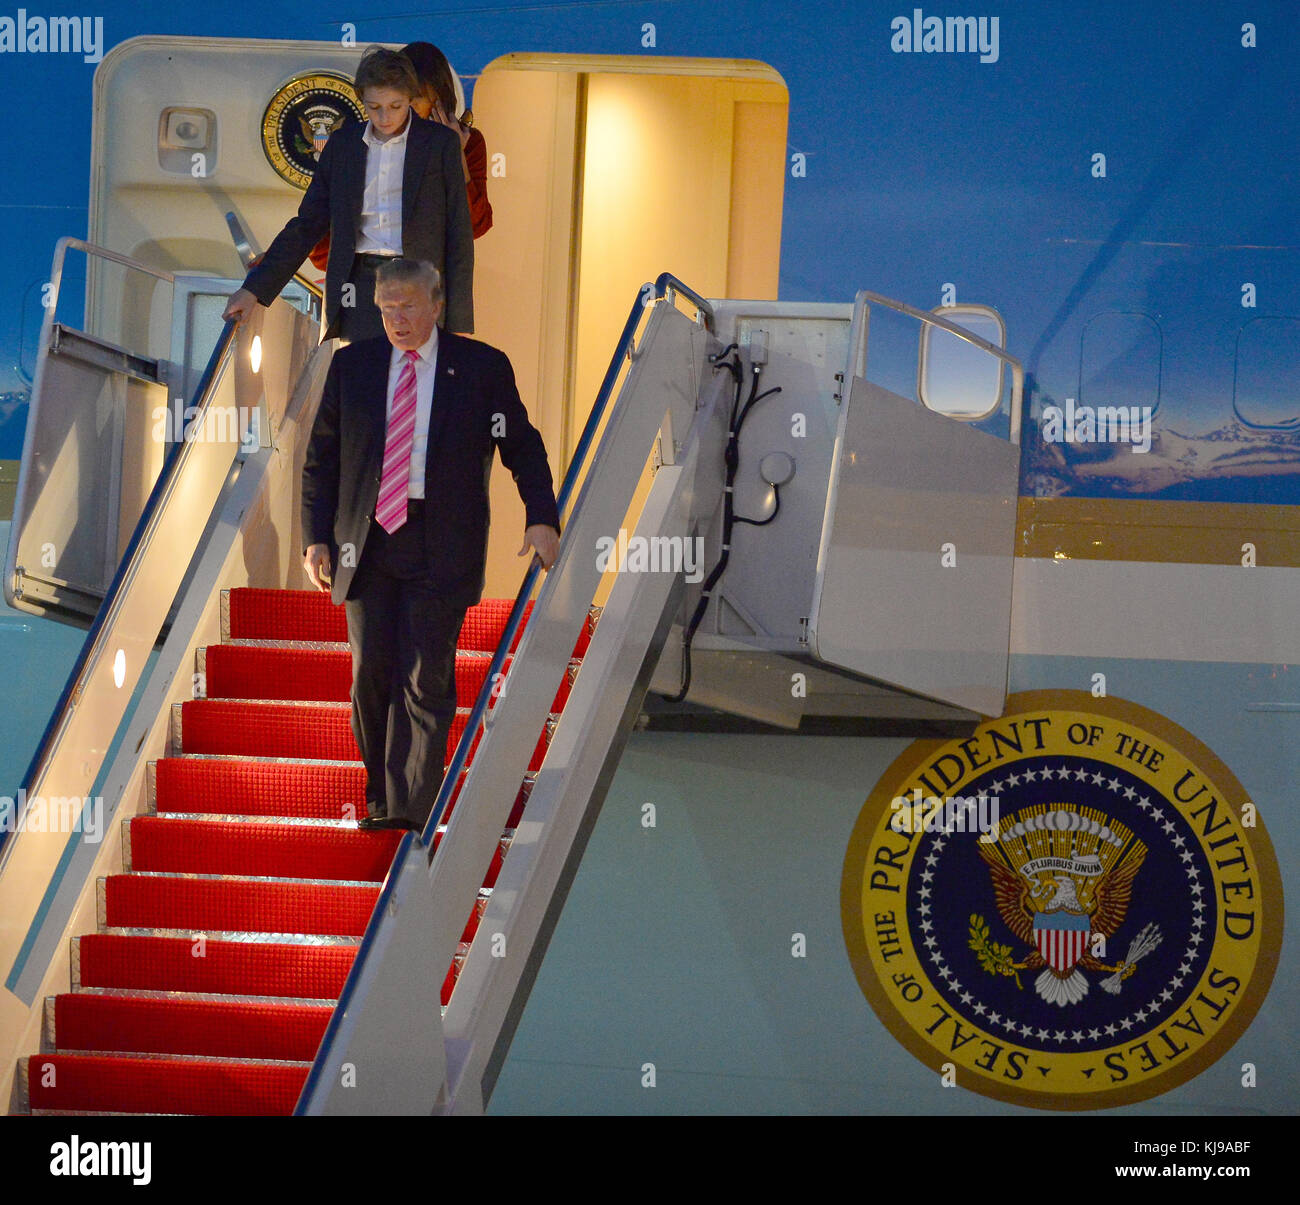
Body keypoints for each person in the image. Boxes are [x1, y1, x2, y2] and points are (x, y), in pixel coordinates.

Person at [301, 258, 560, 833]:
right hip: (365, 542)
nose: (397, 318)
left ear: (438, 306)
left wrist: (540, 518)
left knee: (425, 677)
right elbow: (321, 459)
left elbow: (522, 445)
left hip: (441, 542)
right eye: (387, 307)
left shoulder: (482, 368)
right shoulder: (354, 366)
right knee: (372, 671)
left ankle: (412, 813)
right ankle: (378, 795)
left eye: (409, 306)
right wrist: (315, 536)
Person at [223, 46, 474, 341]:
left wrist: (458, 324)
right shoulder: (343, 145)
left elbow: (459, 234)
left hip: (418, 281)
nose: (384, 117)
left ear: (409, 97)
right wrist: (253, 290)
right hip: (358, 281)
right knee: (359, 380)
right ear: (362, 100)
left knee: (413, 382)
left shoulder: (440, 143)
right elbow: (307, 224)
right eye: (374, 106)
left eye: (395, 106)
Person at [402, 41, 493, 238]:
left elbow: (476, 225)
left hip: (430, 264)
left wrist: (455, 154)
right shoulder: (373, 138)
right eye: (401, 95)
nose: (409, 105)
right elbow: (323, 253)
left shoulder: (469, 141)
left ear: (440, 97)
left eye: (417, 96)